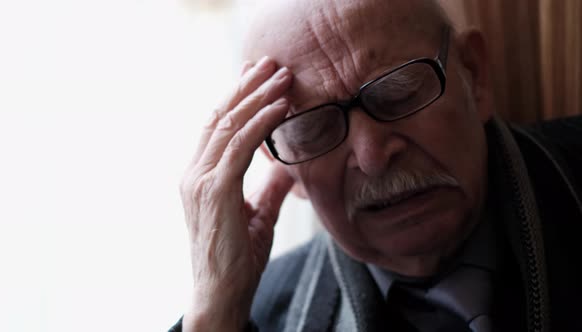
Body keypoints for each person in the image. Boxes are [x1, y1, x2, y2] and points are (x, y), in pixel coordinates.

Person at [171, 0, 582, 331]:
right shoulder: (259, 314)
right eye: (314, 129)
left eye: (398, 93)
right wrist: (215, 312)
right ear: (283, 165)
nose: (371, 158)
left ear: (473, 76)